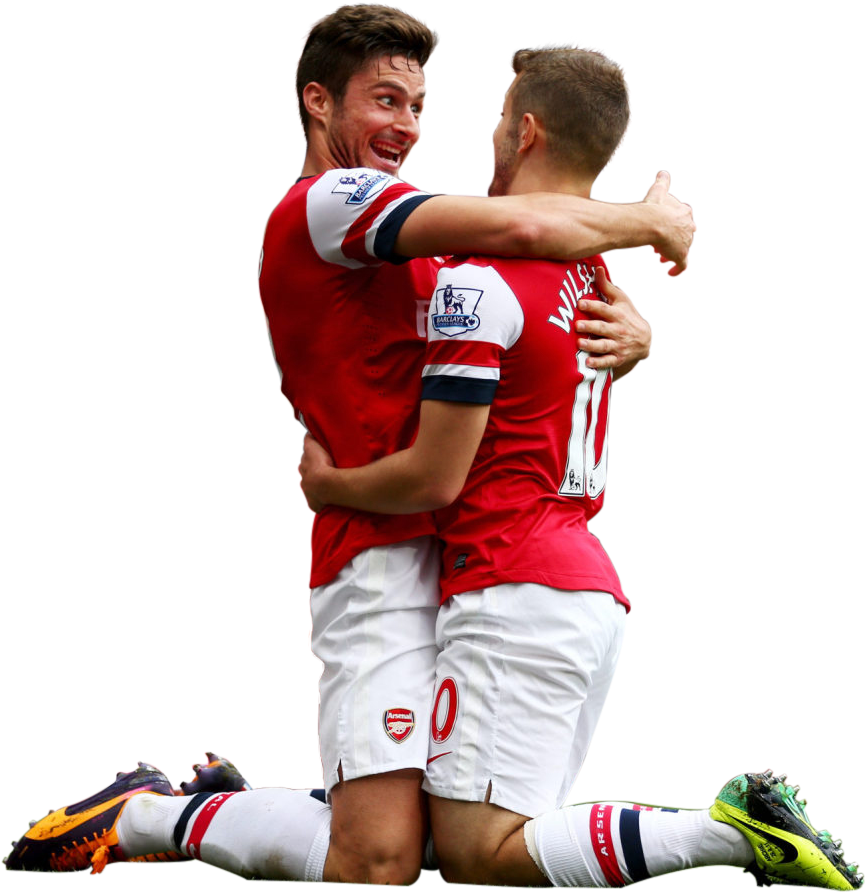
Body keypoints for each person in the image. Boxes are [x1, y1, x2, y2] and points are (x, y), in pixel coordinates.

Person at [4, 5, 695, 885]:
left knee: (439, 842)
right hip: (373, 546)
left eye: (417, 104)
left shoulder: (415, 234)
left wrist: (632, 337)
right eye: (383, 99)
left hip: (454, 551)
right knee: (377, 862)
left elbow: (525, 325)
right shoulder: (328, 201)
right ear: (316, 103)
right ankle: (147, 816)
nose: (405, 125)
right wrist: (650, 221)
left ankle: (212, 806)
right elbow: (523, 230)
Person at [296, 47, 862, 892]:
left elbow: (435, 479)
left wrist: (329, 484)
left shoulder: (481, 280)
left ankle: (725, 830)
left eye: (493, 119)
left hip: (508, 586)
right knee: (458, 849)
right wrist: (644, 331)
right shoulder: (592, 278)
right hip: (577, 586)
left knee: (474, 855)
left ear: (523, 131)